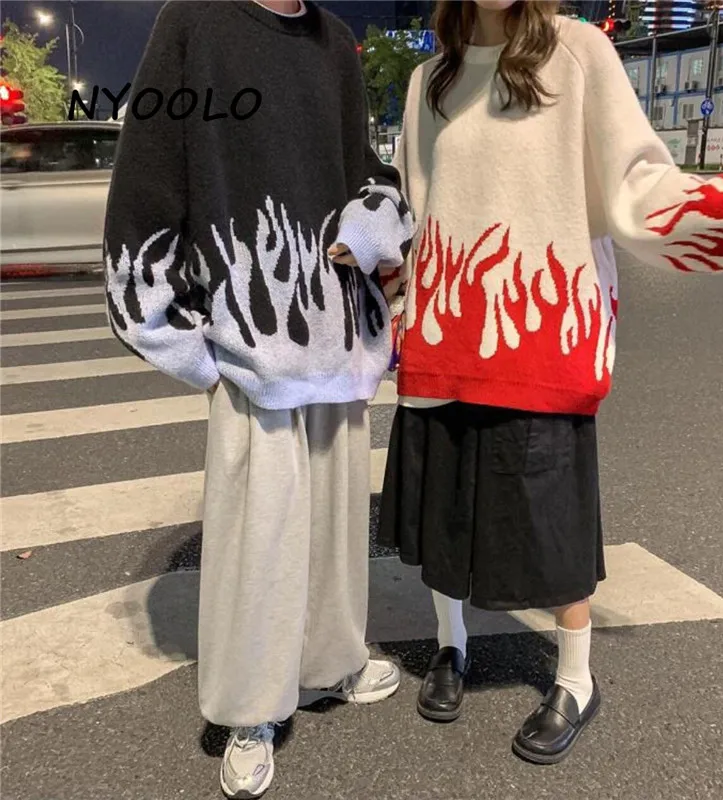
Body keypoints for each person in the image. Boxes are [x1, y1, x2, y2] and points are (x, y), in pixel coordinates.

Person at [367, 0, 723, 767]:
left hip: (542, 337)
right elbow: (414, 205)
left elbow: (640, 191)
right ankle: (451, 644)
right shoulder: (429, 79)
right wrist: (394, 304)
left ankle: (574, 678)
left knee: (554, 524)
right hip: (444, 335)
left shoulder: (577, 55)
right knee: (445, 514)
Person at [104, 1, 414, 797]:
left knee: (336, 529)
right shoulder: (195, 23)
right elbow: (148, 177)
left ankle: (331, 662)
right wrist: (178, 338)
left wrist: (371, 229)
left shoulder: (334, 42)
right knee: (260, 541)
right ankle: (251, 709)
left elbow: (364, 170)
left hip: (338, 337)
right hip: (251, 343)